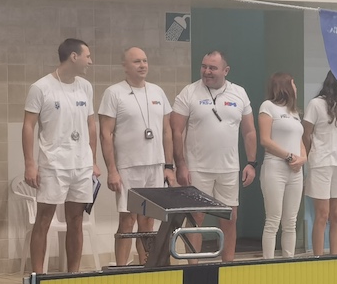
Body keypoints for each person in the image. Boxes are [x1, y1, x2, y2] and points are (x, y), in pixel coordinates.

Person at [171, 51, 257, 262]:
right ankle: (194, 266)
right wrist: (180, 165)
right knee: (196, 219)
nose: (207, 71)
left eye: (212, 68)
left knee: (229, 219)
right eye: (204, 66)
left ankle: (227, 267)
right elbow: (176, 131)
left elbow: (249, 132)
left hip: (229, 169)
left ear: (225, 70)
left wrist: (251, 163)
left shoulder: (239, 93)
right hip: (197, 168)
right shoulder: (189, 92)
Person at [23, 38, 100, 273]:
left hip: (81, 164)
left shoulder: (85, 87)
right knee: (44, 219)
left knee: (76, 219)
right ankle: (38, 276)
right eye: (87, 56)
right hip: (53, 164)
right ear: (74, 57)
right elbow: (28, 126)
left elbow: (91, 125)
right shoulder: (41, 87)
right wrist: (30, 164)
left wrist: (93, 160)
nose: (90, 61)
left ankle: (72, 274)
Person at [98, 47, 175, 266]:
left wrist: (168, 166)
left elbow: (167, 131)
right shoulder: (114, 93)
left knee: (148, 221)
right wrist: (112, 170)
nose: (142, 65)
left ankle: (146, 268)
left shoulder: (157, 92)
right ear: (125, 66)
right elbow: (106, 134)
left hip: (155, 165)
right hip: (128, 167)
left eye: (145, 61)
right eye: (136, 61)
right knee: (127, 219)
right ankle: (122, 270)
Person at [303, 71, 337, 255]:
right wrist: (311, 155)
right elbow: (306, 133)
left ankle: (335, 257)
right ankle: (318, 258)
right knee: (322, 215)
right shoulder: (316, 104)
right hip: (321, 163)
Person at [259, 72, 306, 259]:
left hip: (296, 171)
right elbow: (265, 140)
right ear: (284, 86)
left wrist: (302, 159)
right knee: (273, 220)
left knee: (290, 222)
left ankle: (289, 261)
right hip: (275, 167)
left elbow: (299, 141)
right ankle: (268, 263)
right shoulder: (268, 107)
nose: (296, 88)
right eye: (293, 84)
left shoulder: (294, 113)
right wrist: (289, 156)